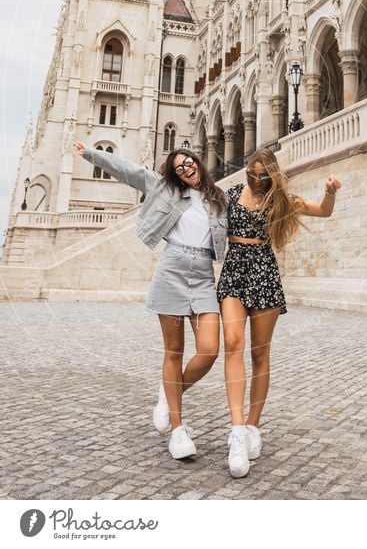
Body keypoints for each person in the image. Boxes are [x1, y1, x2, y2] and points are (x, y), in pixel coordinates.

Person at [73, 141, 227, 460]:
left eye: (190, 163)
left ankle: (169, 391)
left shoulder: (218, 199)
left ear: (198, 163)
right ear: (174, 174)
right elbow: (127, 171)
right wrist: (90, 153)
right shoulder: (162, 189)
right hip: (172, 268)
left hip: (203, 274)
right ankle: (178, 430)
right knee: (174, 351)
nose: (187, 168)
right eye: (180, 167)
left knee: (209, 350)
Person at [217, 146, 341, 478]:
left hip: (264, 272)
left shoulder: (281, 201)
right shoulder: (229, 196)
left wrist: (329, 192)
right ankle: (237, 430)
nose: (257, 180)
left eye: (263, 175)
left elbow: (323, 211)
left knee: (260, 353)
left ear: (271, 174)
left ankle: (254, 425)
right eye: (252, 173)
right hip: (234, 270)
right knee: (232, 342)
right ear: (246, 170)